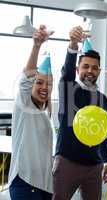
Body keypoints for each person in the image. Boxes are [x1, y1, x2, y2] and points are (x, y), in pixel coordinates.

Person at [52, 26, 107, 200]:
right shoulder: (69, 89)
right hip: (67, 162)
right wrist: (72, 45)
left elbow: (104, 133)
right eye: (85, 66)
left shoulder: (102, 99)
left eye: (94, 68)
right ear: (78, 70)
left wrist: (106, 161)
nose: (90, 71)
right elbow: (66, 73)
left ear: (99, 71)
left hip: (94, 166)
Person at [8, 25, 54, 200]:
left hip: (44, 185)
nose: (44, 87)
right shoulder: (24, 106)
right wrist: (37, 46)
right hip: (25, 183)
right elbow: (26, 80)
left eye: (48, 84)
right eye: (39, 82)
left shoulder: (43, 114)